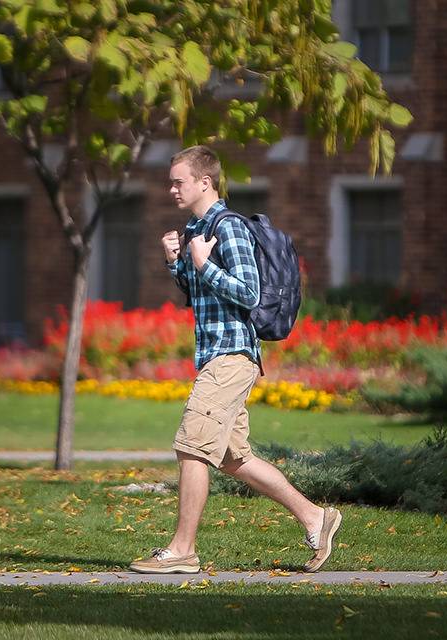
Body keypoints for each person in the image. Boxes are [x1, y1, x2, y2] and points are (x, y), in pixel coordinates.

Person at [129, 146, 341, 575]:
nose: (171, 188)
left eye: (178, 181)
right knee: (231, 458)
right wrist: (177, 261)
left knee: (191, 447)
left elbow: (250, 292)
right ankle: (317, 518)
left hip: (232, 356)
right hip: (214, 354)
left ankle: (182, 550)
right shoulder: (196, 228)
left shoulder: (230, 229)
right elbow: (199, 294)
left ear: (204, 182)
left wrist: (204, 264)